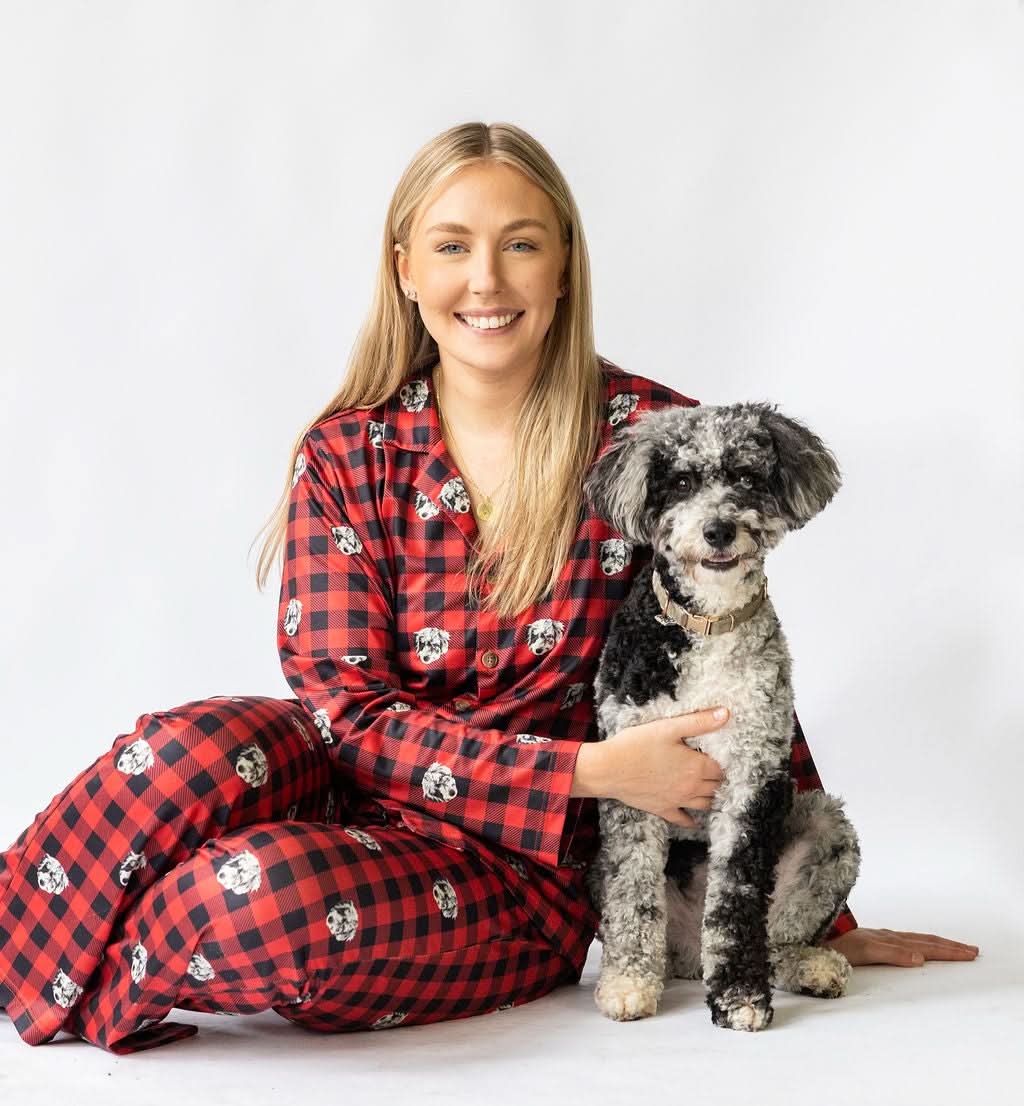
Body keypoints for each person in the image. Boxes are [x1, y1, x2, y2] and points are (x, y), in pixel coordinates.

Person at [0, 121, 977, 1055]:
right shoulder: (350, 450)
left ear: (562, 267)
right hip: (358, 779)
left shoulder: (651, 437)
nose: (486, 278)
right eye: (453, 244)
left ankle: (84, 974)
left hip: (518, 868)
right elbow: (345, 714)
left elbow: (732, 659)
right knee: (184, 753)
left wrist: (808, 912)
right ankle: (24, 961)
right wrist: (590, 771)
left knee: (256, 896)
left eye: (519, 243)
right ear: (406, 268)